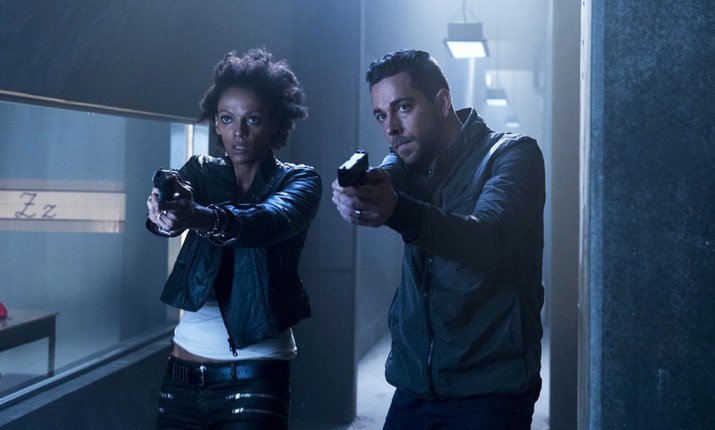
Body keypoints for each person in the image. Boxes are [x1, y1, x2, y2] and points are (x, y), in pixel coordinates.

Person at [332, 49, 545, 429]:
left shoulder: (512, 155)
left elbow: (489, 238)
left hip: (490, 392)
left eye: (403, 108)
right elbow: (389, 174)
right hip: (414, 387)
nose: (391, 128)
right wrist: (359, 193)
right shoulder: (408, 162)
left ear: (443, 102)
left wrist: (396, 209)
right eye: (381, 115)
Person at [146, 48, 321, 430]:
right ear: (216, 123)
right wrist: (164, 216)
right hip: (182, 375)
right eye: (227, 118)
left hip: (257, 375)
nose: (238, 132)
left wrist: (200, 216)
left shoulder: (299, 180)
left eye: (252, 119)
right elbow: (176, 206)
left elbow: (268, 221)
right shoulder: (200, 171)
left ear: (274, 123)